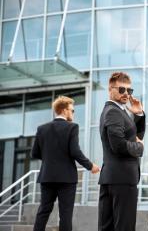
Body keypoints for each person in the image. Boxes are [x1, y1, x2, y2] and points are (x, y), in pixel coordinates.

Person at [31, 96, 100, 231]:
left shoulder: (42, 129)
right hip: (66, 178)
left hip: (47, 177)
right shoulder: (72, 127)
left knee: (43, 211)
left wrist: (50, 159)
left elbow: (34, 154)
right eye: (72, 110)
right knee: (65, 215)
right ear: (64, 110)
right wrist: (90, 166)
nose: (73, 113)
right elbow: (75, 151)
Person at [98, 72, 146, 231]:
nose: (126, 94)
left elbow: (135, 136)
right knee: (123, 226)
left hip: (114, 178)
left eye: (129, 91)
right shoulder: (113, 111)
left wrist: (138, 114)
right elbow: (118, 145)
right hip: (122, 179)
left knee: (109, 227)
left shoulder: (118, 111)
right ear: (111, 89)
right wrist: (140, 147)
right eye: (121, 90)